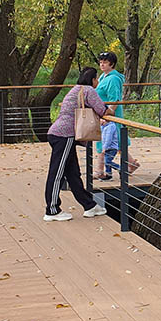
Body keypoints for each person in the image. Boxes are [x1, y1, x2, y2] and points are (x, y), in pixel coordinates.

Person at [44, 67, 108, 221]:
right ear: (92, 79)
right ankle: (52, 210)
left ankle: (90, 206)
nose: (97, 81)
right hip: (63, 136)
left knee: (73, 174)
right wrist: (112, 111)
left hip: (59, 134)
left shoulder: (76, 89)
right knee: (57, 173)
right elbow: (102, 110)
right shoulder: (88, 90)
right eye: (96, 78)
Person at [94, 52, 138, 180]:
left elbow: (115, 99)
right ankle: (131, 164)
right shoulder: (103, 76)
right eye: (101, 62)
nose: (102, 64)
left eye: (105, 62)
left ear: (111, 64)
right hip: (103, 114)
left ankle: (100, 170)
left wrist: (109, 114)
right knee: (117, 142)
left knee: (109, 141)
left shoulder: (113, 79)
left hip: (110, 115)